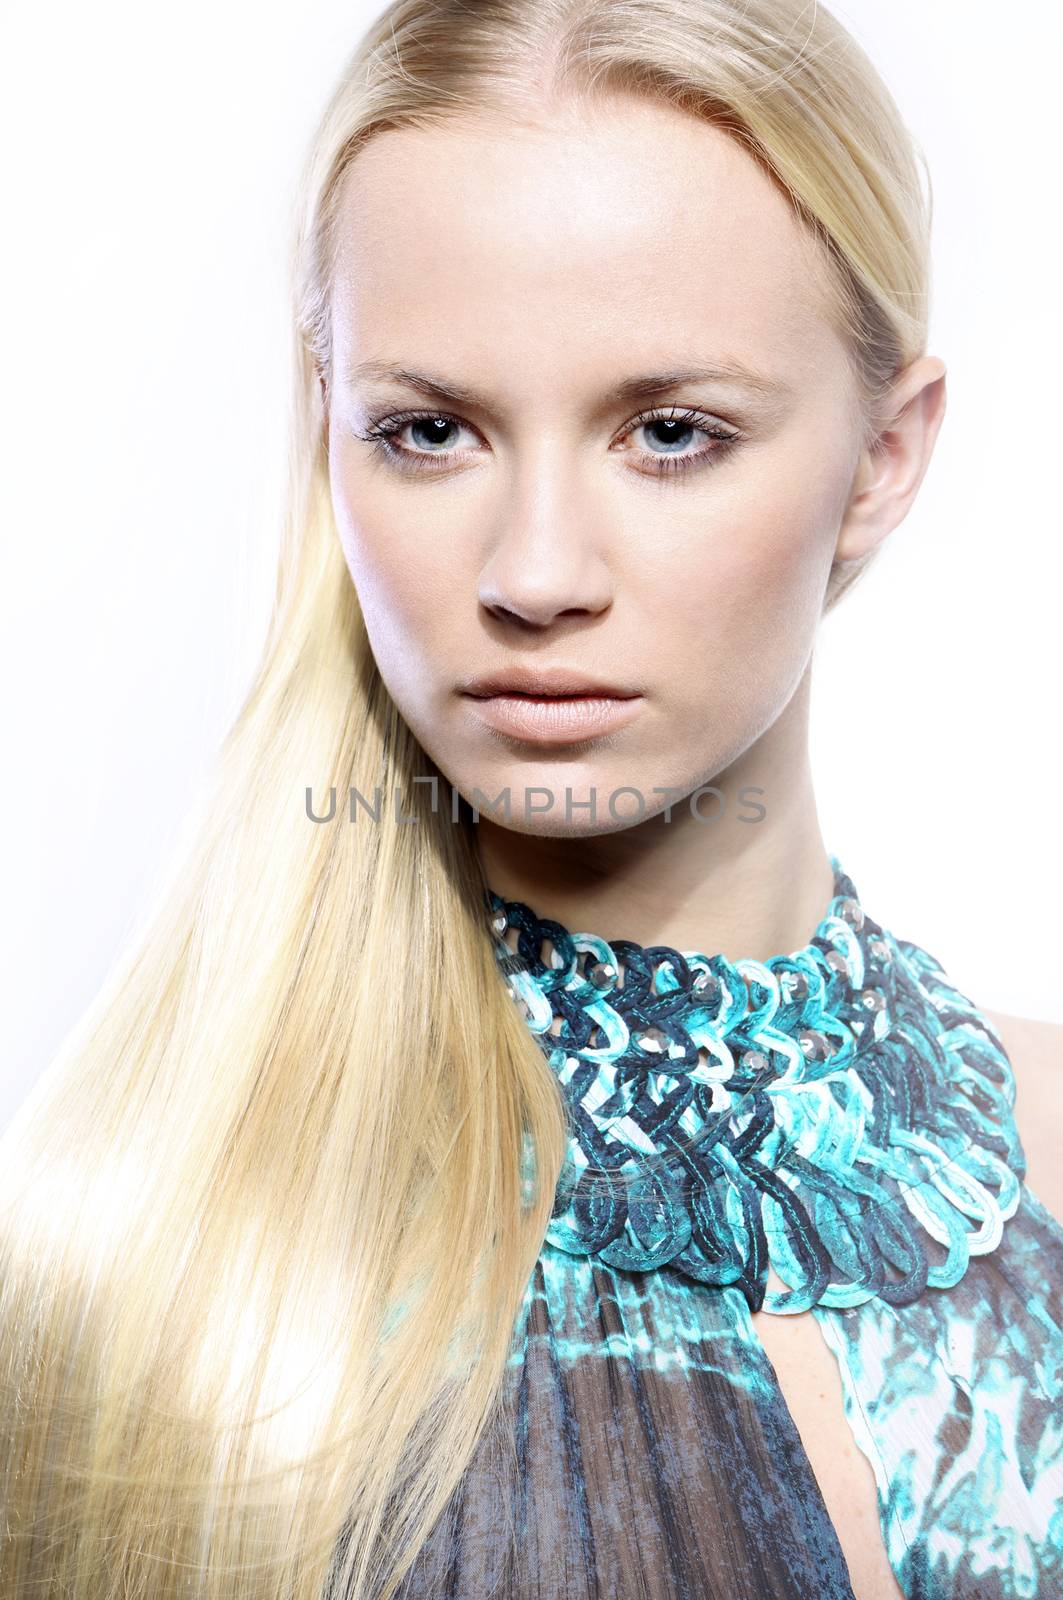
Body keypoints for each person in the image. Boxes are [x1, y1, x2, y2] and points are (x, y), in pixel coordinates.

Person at [1, 2, 1059, 1597]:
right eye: (428, 432)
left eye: (670, 434)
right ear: (331, 430)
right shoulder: (132, 1258)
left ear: (886, 456)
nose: (536, 573)